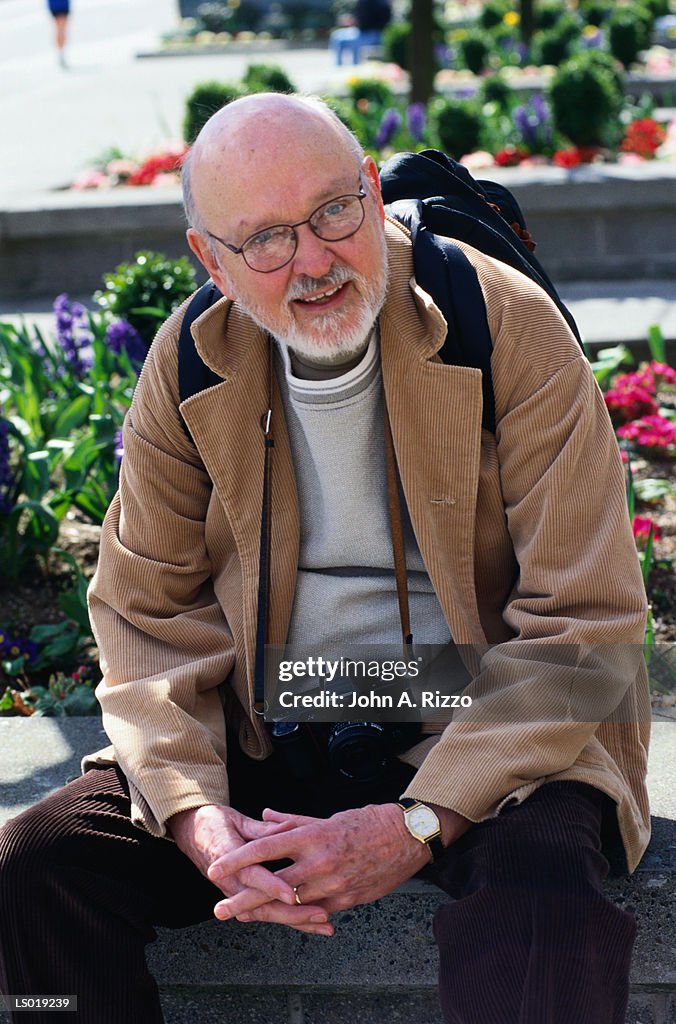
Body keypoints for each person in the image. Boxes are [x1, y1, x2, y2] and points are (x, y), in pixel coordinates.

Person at [0, 93, 651, 1024]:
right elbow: (144, 615)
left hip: (488, 717)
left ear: (372, 189)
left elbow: (588, 628)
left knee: (541, 896)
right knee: (40, 868)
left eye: (333, 213)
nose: (312, 260)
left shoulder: (506, 324)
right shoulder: (189, 364)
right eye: (264, 238)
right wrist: (195, 812)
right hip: (271, 717)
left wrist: (420, 821)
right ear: (210, 260)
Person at [46, 0, 70, 69]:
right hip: (57, 5)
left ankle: (61, 54)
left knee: (62, 30)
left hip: (63, 4)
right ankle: (61, 54)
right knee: (60, 30)